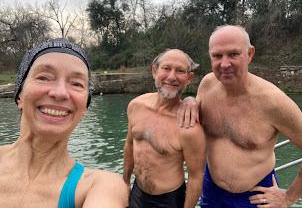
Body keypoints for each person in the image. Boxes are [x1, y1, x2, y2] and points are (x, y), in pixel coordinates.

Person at [177, 25, 302, 207]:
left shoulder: (273, 102)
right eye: (217, 56)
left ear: (249, 54)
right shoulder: (207, 85)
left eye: (234, 54)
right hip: (211, 191)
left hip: (257, 198)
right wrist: (189, 100)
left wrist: (288, 198)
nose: (224, 64)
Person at [0, 38, 128, 207]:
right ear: (19, 95)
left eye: (76, 83)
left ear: (84, 108)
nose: (60, 93)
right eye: (44, 77)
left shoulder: (98, 186)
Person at [123, 49, 206, 208]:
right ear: (155, 72)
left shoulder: (189, 128)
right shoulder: (136, 106)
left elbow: (196, 177)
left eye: (180, 71)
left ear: (189, 79)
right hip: (137, 192)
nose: (172, 77)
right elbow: (130, 145)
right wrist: (125, 182)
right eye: (166, 68)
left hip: (169, 201)